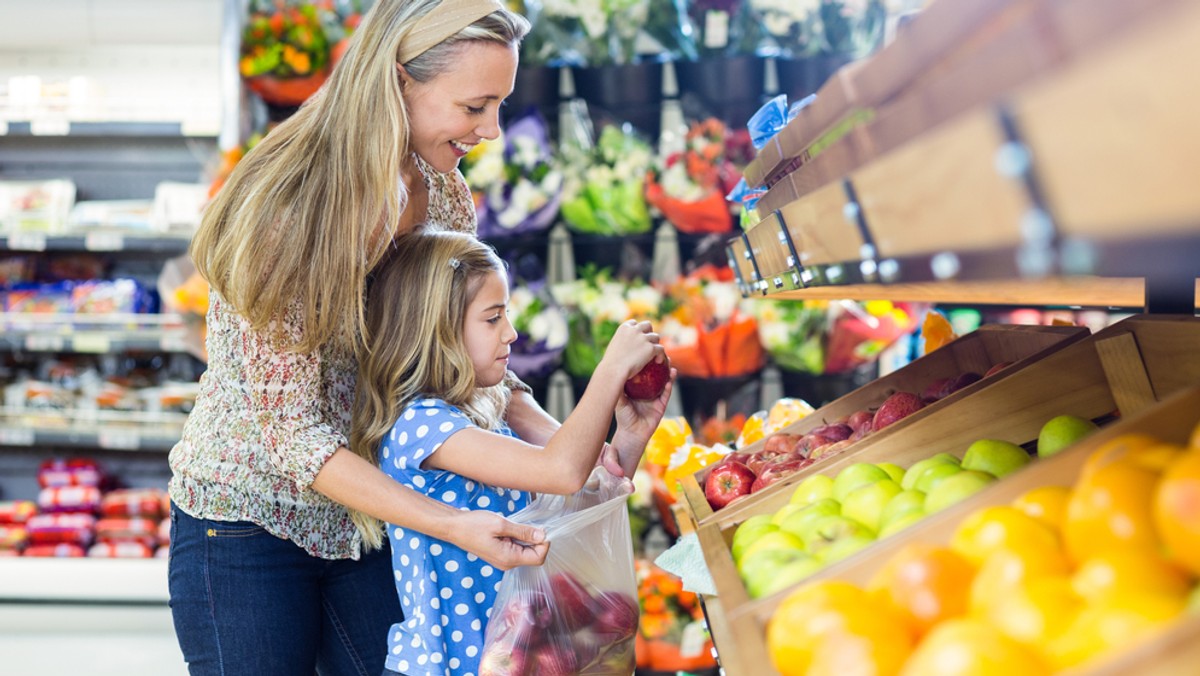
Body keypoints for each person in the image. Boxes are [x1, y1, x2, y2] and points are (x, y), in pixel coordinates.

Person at [166, 1, 567, 674]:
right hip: (245, 525)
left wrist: (561, 447)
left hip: (366, 518)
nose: (493, 130)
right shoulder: (290, 212)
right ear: (399, 81)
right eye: (476, 106)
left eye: (499, 105)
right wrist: (448, 523)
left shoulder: (439, 192)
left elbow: (454, 347)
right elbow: (294, 437)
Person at [352, 230, 673, 675]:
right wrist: (611, 369)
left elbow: (575, 502)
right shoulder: (421, 426)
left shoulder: (480, 414)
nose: (512, 333)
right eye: (492, 318)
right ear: (437, 329)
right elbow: (560, 470)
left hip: (515, 657)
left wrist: (630, 438)